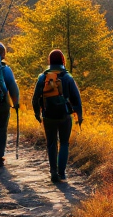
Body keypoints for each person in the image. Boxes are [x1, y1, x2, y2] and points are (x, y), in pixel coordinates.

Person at [32, 49, 83, 184]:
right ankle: (62, 173)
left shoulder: (43, 77)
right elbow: (76, 99)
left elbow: (35, 97)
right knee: (64, 143)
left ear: (50, 61)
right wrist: (80, 115)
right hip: (65, 115)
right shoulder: (67, 77)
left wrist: (37, 113)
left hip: (48, 115)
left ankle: (53, 171)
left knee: (51, 143)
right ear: (62, 61)